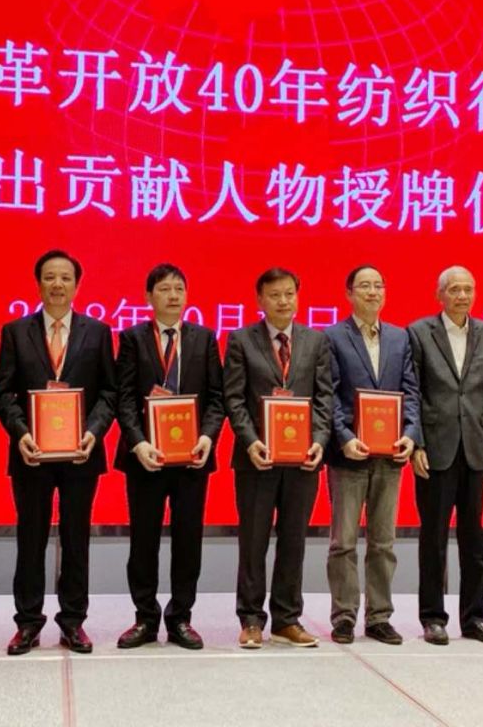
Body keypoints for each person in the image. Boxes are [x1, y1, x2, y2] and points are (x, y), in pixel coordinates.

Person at [0, 249, 117, 655]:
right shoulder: (16, 331)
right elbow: (2, 394)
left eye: (65, 277)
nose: (57, 284)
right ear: (38, 284)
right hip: (32, 454)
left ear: (77, 285)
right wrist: (21, 433)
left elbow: (110, 392)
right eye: (50, 277)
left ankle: (73, 622)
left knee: (76, 538)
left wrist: (93, 432)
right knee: (30, 539)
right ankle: (28, 622)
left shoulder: (97, 332)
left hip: (81, 454)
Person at [112, 263, 224, 651]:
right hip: (146, 457)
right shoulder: (132, 338)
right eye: (164, 289)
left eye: (179, 288)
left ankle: (180, 618)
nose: (173, 295)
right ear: (148, 297)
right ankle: (145, 617)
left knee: (188, 540)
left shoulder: (204, 338)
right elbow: (124, 398)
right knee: (143, 540)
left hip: (192, 457)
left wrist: (207, 436)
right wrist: (138, 442)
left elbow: (217, 398)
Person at [223, 267, 332, 649]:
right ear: (260, 300)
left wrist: (319, 440)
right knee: (253, 540)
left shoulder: (316, 341)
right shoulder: (241, 340)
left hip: (302, 459)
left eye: (289, 294)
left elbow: (324, 397)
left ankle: (287, 619)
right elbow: (234, 398)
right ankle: (251, 619)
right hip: (257, 458)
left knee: (294, 539)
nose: (283, 301)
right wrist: (251, 441)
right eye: (274, 295)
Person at [407, 265, 483, 646]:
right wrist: (416, 443)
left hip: (475, 449)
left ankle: (475, 618)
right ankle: (433, 617)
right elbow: (413, 392)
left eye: (468, 289)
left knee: (474, 539)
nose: (462, 296)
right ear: (440, 294)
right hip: (435, 449)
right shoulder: (420, 332)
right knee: (433, 538)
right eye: (454, 289)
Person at [323, 264, 421, 645]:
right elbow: (328, 394)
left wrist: (410, 434)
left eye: (379, 285)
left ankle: (379, 616)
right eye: (364, 285)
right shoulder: (333, 336)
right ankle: (344, 616)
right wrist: (344, 437)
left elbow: (411, 391)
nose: (373, 292)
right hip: (349, 455)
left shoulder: (400, 337)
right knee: (343, 542)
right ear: (349, 293)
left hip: (390, 455)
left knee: (383, 542)